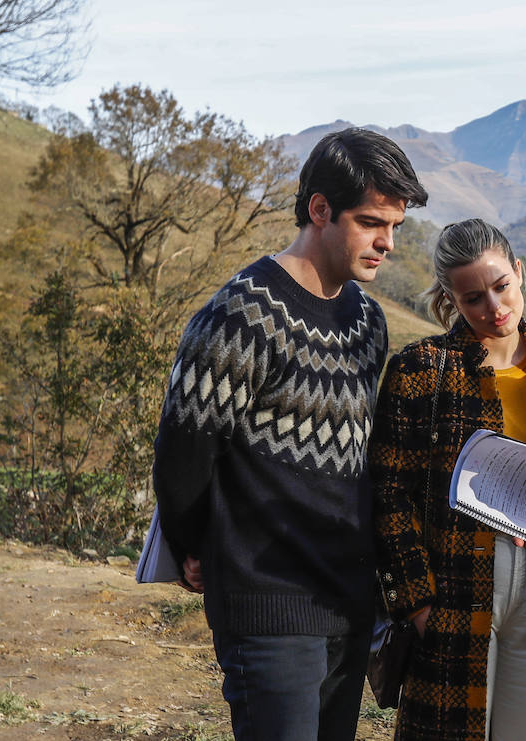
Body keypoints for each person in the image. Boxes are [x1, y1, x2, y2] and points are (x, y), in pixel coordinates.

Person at [151, 127, 428, 741]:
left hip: (348, 601)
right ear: (320, 210)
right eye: (371, 222)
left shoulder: (367, 319)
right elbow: (184, 452)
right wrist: (195, 546)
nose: (386, 242)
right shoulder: (241, 316)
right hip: (269, 601)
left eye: (395, 227)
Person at [369, 219, 526, 741]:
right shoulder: (421, 370)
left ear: (519, 273)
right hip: (456, 582)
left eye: (502, 287)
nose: (494, 308)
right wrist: (417, 604)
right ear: (451, 299)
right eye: (474, 297)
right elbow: (390, 495)